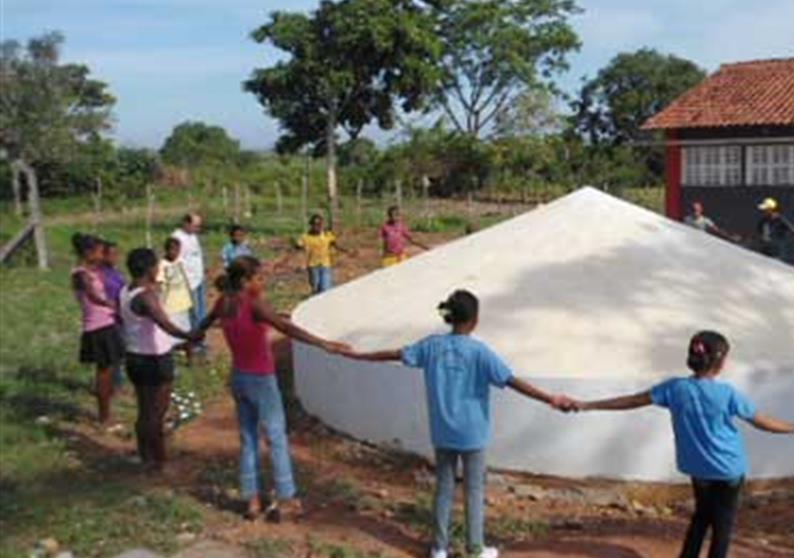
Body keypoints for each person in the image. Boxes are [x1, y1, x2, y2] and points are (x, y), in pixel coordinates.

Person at [339, 290, 572, 558]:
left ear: (450, 317)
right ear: (475, 320)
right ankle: (475, 548)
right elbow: (511, 381)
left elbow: (395, 354)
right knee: (473, 491)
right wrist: (550, 398)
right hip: (473, 434)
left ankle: (439, 548)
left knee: (444, 489)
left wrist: (358, 355)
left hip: (442, 432)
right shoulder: (480, 352)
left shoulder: (431, 346)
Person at [570, 331, 794, 558]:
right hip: (728, 470)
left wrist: (586, 404)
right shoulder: (728, 394)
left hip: (698, 469)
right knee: (723, 525)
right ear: (720, 363)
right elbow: (764, 423)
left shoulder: (674, 388)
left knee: (701, 516)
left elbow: (631, 401)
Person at [197, 256, 349, 521]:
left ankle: (251, 499)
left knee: (248, 439)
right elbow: (286, 327)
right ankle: (287, 497)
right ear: (245, 281)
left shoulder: (224, 302)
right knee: (276, 437)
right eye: (258, 277)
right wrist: (325, 344)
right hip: (261, 379)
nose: (261, 282)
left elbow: (202, 325)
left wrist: (185, 338)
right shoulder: (253, 304)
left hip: (239, 377)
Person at [119, 248, 199, 472]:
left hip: (134, 356)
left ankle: (146, 456)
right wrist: (189, 336)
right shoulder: (146, 297)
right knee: (157, 412)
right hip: (154, 359)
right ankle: (159, 461)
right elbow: (165, 324)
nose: (158, 270)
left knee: (144, 411)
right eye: (156, 266)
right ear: (149, 269)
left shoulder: (127, 291)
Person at [71, 233, 125, 427]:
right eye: (99, 251)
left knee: (108, 370)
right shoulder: (80, 274)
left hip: (106, 324)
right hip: (98, 327)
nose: (103, 255)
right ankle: (104, 417)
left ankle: (106, 412)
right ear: (88, 253)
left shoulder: (92, 271)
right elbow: (92, 296)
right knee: (103, 372)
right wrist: (112, 304)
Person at [172, 213, 207, 353]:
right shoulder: (177, 238)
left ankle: (200, 340)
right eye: (195, 226)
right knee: (192, 314)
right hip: (187, 281)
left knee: (201, 312)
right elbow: (176, 261)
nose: (198, 229)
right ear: (186, 224)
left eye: (199, 226)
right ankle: (194, 342)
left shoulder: (193, 236)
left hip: (198, 279)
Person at [158, 237, 195, 364]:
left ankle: (190, 359)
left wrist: (190, 299)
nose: (175, 253)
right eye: (172, 250)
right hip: (169, 306)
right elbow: (160, 284)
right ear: (167, 250)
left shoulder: (180, 262)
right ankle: (169, 359)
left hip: (183, 304)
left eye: (177, 250)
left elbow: (186, 281)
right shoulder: (162, 265)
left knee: (186, 332)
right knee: (170, 334)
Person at [98, 240, 128, 389]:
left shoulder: (116, 272)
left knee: (120, 350)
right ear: (102, 256)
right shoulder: (101, 275)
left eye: (117, 253)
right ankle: (112, 384)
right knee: (112, 353)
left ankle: (118, 380)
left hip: (121, 316)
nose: (116, 257)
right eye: (112, 254)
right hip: (110, 318)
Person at [296, 214, 343, 294]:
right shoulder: (306, 237)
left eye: (319, 225)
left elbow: (334, 244)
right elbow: (298, 246)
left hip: (325, 264)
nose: (318, 227)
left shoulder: (327, 234)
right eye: (315, 225)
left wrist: (345, 250)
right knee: (316, 288)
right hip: (313, 266)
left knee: (325, 288)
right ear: (311, 225)